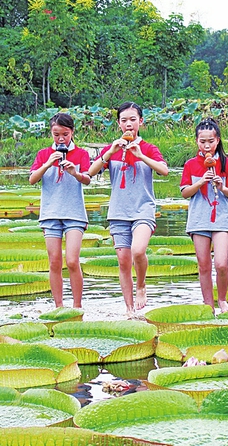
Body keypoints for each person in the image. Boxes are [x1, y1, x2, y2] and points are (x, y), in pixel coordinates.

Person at [88, 102, 168, 317]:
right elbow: (90, 172)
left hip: (143, 209)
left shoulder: (148, 148)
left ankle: (141, 285)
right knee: (123, 261)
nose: (129, 124)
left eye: (133, 119)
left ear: (141, 122)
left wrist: (141, 155)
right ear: (118, 124)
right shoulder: (111, 149)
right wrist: (110, 152)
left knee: (138, 250)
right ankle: (129, 309)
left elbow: (164, 170)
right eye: (124, 120)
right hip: (118, 212)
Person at [29, 113, 91, 309]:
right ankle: (58, 306)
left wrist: (75, 172)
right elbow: (32, 179)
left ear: (72, 132)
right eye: (56, 135)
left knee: (72, 260)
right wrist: (48, 163)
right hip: (50, 214)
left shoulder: (81, 154)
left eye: (65, 134)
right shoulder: (43, 154)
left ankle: (77, 306)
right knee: (54, 261)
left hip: (74, 213)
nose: (61, 139)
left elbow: (87, 179)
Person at [180, 118, 228, 313]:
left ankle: (222, 300)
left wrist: (222, 186)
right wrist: (200, 182)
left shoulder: (227, 164)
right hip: (198, 220)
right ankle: (208, 305)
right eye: (202, 141)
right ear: (196, 141)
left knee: (221, 263)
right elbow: (185, 192)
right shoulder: (190, 164)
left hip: (221, 219)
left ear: (218, 140)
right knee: (204, 265)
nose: (207, 145)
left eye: (211, 141)